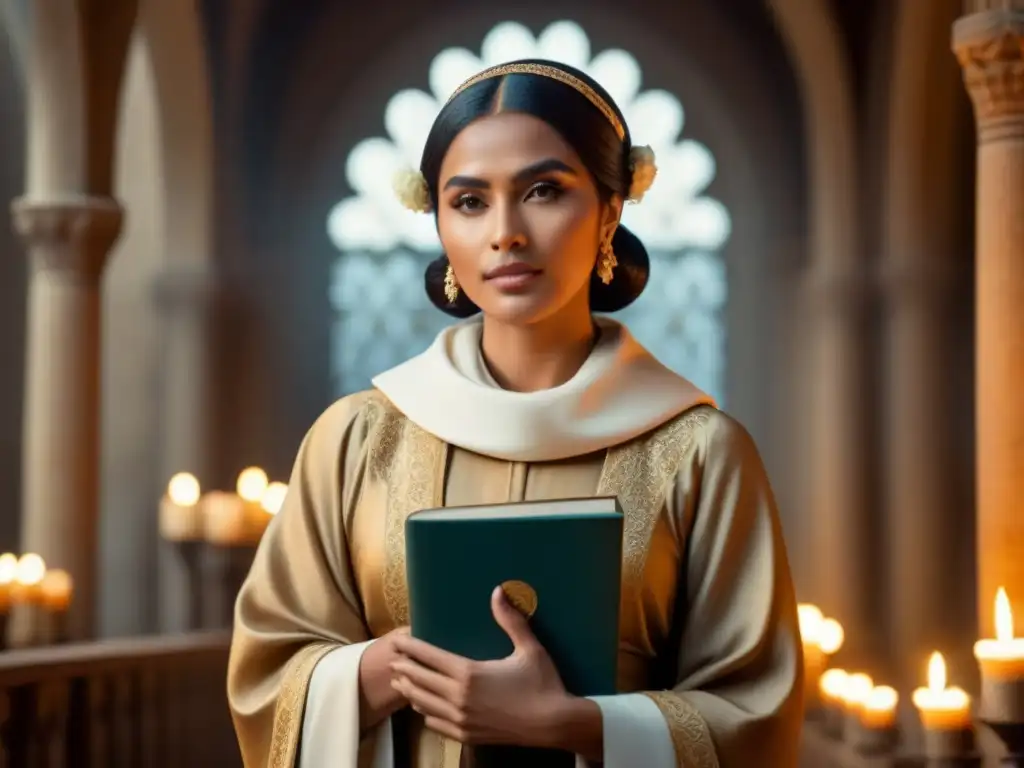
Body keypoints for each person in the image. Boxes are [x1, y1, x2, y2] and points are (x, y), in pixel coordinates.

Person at [227, 58, 804, 768]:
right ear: (437, 221)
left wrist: (574, 726)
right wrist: (382, 672)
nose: (505, 233)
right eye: (469, 202)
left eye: (542, 191)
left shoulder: (701, 453)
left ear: (610, 210)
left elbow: (757, 713)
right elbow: (266, 675)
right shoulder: (354, 441)